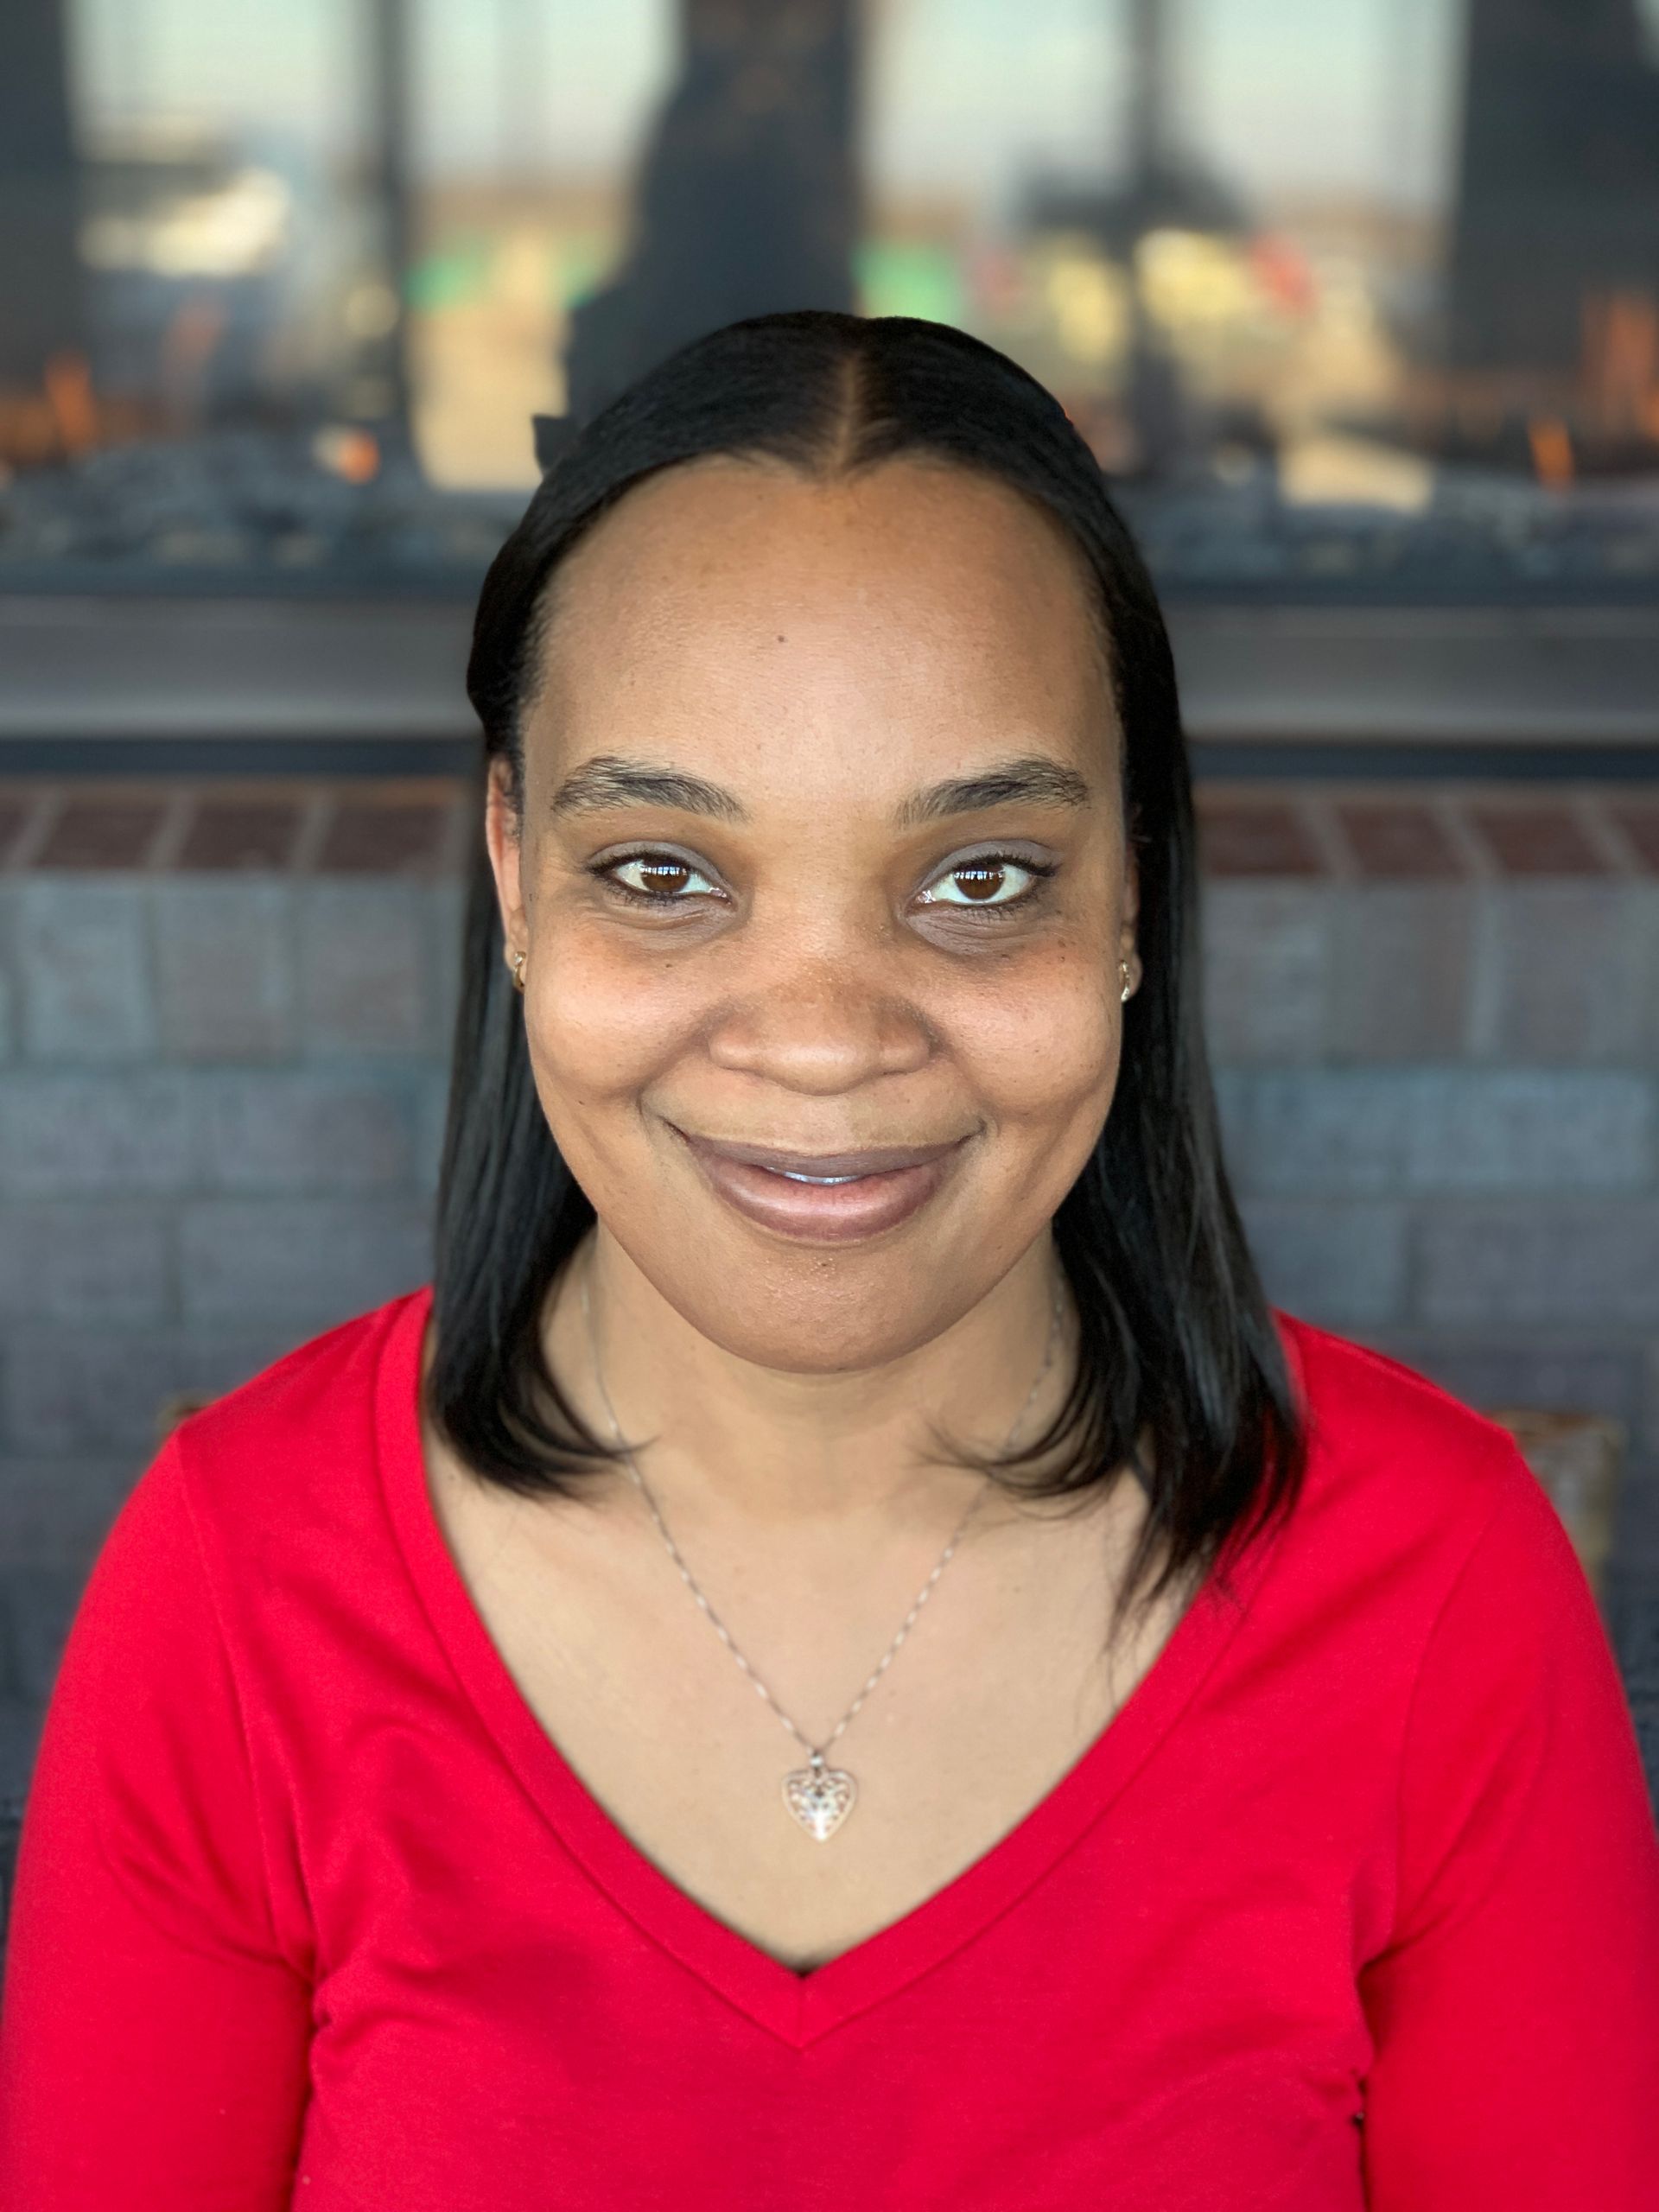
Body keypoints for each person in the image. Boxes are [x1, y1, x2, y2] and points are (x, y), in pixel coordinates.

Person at [2, 309, 1656, 2209]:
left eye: (978, 877)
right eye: (663, 869)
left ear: (1133, 890)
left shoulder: (1443, 1580)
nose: (820, 1038)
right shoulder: (231, 1575)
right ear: (516, 871)